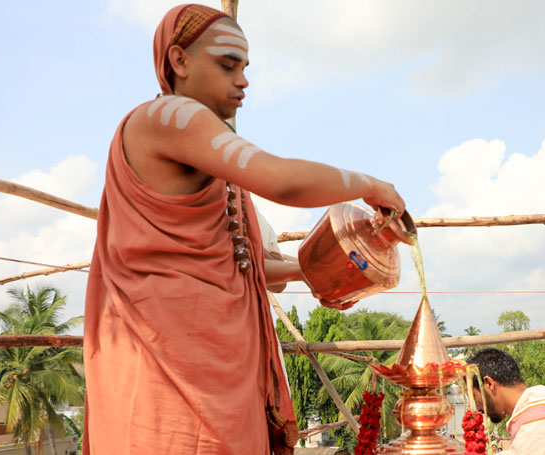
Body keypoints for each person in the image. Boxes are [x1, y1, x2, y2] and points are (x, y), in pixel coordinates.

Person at [83, 4, 406, 454]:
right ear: (178, 61)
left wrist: (317, 270)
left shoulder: (219, 168)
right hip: (166, 365)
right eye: (227, 65)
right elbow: (282, 181)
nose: (243, 81)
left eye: (245, 68)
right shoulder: (166, 116)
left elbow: (242, 268)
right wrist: (370, 186)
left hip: (222, 371)